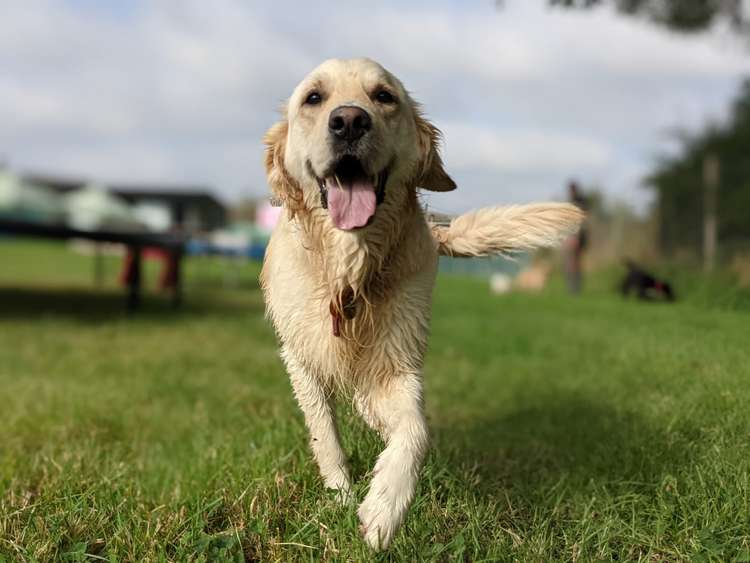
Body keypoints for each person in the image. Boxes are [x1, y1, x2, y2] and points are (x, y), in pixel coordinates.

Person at [563, 181, 588, 295]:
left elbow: (579, 222)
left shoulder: (578, 203)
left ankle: (574, 290)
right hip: (573, 238)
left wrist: (575, 238)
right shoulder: (576, 202)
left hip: (575, 239)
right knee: (572, 264)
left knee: (573, 265)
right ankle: (573, 289)